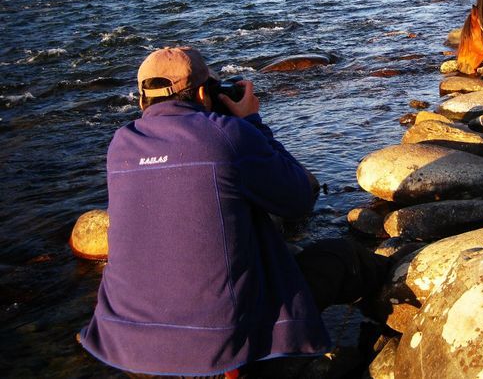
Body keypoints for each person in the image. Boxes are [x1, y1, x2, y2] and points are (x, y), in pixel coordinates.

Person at [79, 46, 388, 378]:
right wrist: (252, 123)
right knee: (343, 258)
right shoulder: (227, 135)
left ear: (142, 101)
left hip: (128, 351)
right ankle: (393, 328)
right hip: (219, 354)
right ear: (203, 92)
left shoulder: (120, 145)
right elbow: (299, 197)